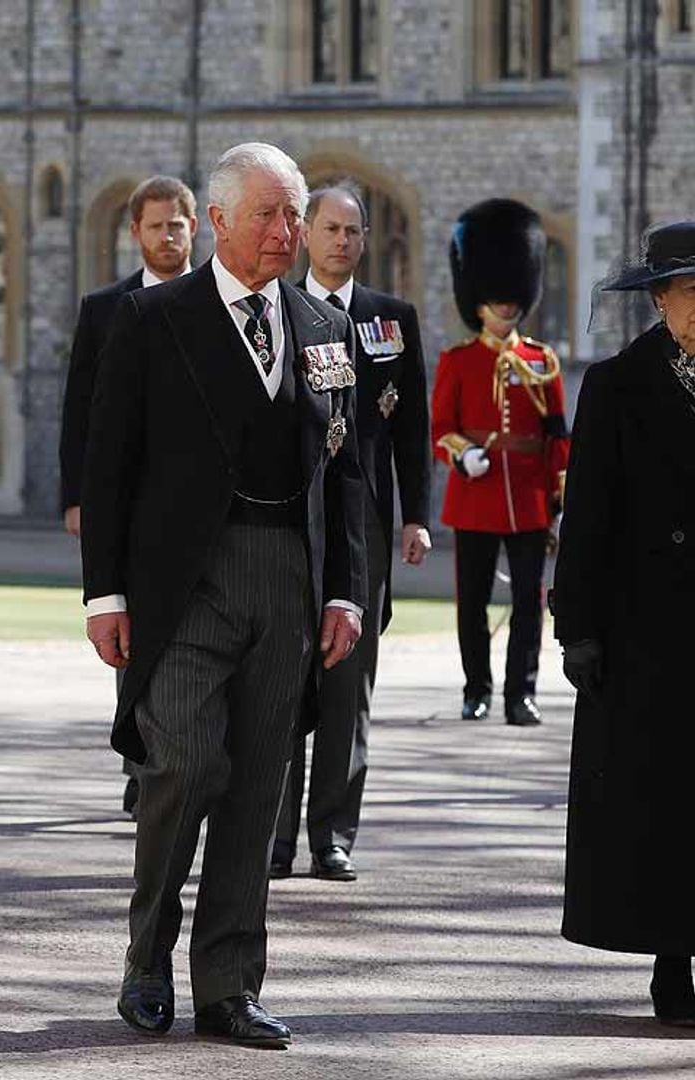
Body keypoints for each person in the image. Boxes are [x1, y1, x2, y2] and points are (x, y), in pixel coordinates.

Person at [83, 142, 367, 1048]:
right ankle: (147, 960)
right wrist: (104, 597)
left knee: (255, 788)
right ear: (217, 222)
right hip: (184, 584)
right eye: (271, 216)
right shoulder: (151, 319)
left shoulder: (324, 330)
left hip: (288, 576)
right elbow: (110, 465)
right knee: (185, 765)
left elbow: (347, 470)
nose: (289, 233)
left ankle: (231, 987)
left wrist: (347, 592)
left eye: (296, 215)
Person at [553, 221, 695, 1026]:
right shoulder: (614, 385)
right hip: (649, 628)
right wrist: (579, 627)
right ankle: (671, 960)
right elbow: (590, 515)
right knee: (661, 804)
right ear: (661, 299)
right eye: (690, 294)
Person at [272, 184, 431, 882]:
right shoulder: (276, 308)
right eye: (330, 228)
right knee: (281, 683)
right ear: (306, 233)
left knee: (347, 683)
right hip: (290, 514)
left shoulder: (390, 321)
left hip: (362, 522)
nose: (342, 241)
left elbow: (413, 429)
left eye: (353, 231)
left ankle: (332, 833)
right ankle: (273, 836)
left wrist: (416, 516)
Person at [58, 174, 197, 817]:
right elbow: (81, 411)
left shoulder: (216, 303)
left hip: (195, 499)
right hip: (131, 504)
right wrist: (77, 496)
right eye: (155, 225)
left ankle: (181, 760)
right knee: (133, 637)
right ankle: (141, 761)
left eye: (178, 223)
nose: (168, 235)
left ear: (195, 227)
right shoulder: (105, 309)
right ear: (134, 232)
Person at [431, 199, 569, 727]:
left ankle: (522, 694)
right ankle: (477, 690)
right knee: (472, 602)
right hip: (475, 496)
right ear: (477, 300)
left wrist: (557, 494)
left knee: (531, 606)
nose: (506, 307)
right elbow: (441, 428)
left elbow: (557, 434)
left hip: (530, 498)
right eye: (495, 298)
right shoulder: (458, 361)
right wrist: (464, 454)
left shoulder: (543, 361)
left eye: (512, 298)